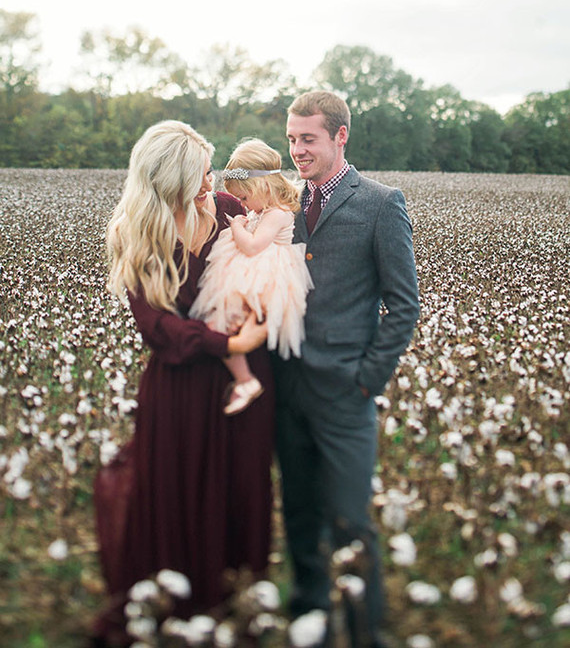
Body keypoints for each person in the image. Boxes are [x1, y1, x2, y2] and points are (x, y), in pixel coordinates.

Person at [91, 121, 273, 646]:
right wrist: (230, 345)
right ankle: (178, 604)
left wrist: (259, 316)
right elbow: (157, 328)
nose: (211, 182)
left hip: (240, 390)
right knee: (175, 490)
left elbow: (266, 269)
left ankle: (230, 601)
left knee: (236, 489)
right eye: (199, 173)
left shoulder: (231, 212)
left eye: (210, 170)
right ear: (167, 178)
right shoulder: (136, 231)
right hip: (179, 389)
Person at [273, 91, 420, 648]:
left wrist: (367, 378)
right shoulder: (282, 203)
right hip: (288, 387)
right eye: (291, 139)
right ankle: (307, 622)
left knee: (351, 522)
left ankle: (364, 632)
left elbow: (404, 303)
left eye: (307, 139)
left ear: (340, 136)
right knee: (300, 517)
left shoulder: (381, 203)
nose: (297, 150)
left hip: (344, 393)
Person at [190, 138, 313, 415]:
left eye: (244, 198)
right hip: (255, 272)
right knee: (220, 325)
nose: (242, 205)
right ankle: (244, 378)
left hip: (267, 275)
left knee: (225, 324)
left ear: (262, 186)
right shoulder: (263, 211)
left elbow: (253, 246)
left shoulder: (278, 214)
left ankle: (245, 380)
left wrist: (236, 227)